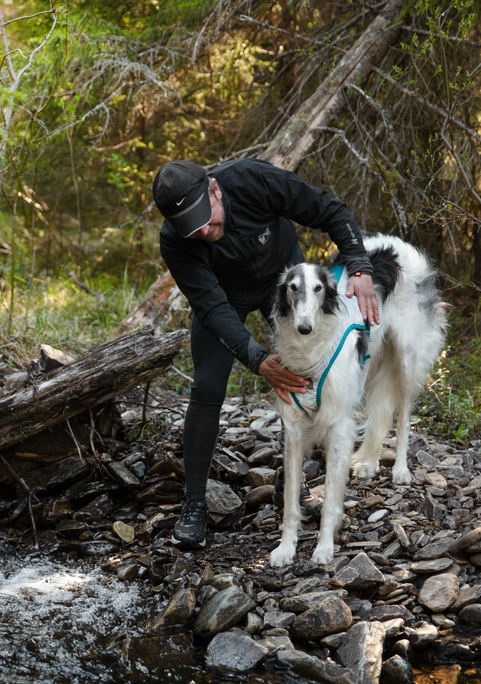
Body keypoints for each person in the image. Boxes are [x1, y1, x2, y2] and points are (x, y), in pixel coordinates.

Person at [152, 158, 381, 548]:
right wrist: (257, 358)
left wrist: (358, 265)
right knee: (207, 386)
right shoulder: (176, 242)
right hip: (226, 296)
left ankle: (290, 482)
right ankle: (194, 505)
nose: (205, 230)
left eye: (206, 217)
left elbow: (330, 210)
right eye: (193, 229)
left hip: (284, 278)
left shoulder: (252, 180)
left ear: (215, 190)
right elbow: (211, 307)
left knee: (309, 378)